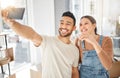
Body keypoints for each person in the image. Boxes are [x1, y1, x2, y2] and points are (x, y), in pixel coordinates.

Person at [1, 9, 79, 78]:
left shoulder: (75, 50)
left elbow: (74, 71)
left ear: (74, 28)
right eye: (61, 23)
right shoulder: (48, 41)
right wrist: (12, 23)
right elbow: (32, 35)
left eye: (68, 24)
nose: (64, 26)